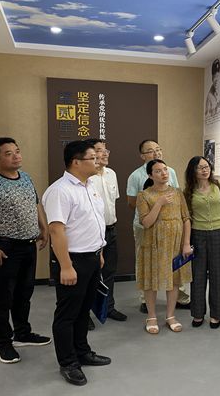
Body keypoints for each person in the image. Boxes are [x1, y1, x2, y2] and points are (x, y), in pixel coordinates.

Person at [0, 137, 50, 364]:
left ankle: (22, 333)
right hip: (4, 247)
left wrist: (44, 228)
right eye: (8, 153)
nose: (16, 156)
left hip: (28, 245)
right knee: (3, 297)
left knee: (24, 293)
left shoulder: (25, 177)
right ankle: (3, 343)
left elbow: (36, 203)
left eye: (17, 151)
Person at [42, 140, 111, 386]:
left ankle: (82, 352)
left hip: (91, 256)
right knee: (67, 314)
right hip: (72, 260)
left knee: (83, 311)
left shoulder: (89, 186)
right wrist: (66, 265)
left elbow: (92, 222)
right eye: (92, 157)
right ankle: (68, 362)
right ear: (76, 162)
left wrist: (98, 252)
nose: (98, 160)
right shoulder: (60, 191)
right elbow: (56, 231)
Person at [126, 139, 190, 313]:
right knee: (146, 262)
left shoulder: (171, 171)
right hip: (145, 227)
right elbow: (132, 202)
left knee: (175, 263)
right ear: (142, 156)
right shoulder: (135, 176)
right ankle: (146, 301)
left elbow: (176, 198)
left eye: (158, 149)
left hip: (172, 229)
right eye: (151, 150)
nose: (156, 153)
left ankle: (181, 298)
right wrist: (153, 205)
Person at [136, 159, 193, 334]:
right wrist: (159, 203)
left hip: (175, 243)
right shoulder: (144, 195)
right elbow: (146, 222)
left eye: (165, 169)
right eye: (158, 171)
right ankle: (152, 316)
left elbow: (186, 219)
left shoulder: (177, 192)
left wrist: (186, 243)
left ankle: (170, 315)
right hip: (153, 243)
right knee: (151, 280)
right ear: (150, 175)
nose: (163, 173)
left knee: (174, 280)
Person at [184, 156, 220, 329]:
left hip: (219, 234)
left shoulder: (219, 185)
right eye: (200, 168)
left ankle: (216, 315)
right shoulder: (188, 191)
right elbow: (187, 218)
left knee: (218, 276)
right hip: (197, 235)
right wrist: (186, 242)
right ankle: (198, 314)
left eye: (206, 166)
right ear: (193, 171)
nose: (205, 170)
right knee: (197, 276)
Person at [87, 138, 127, 322]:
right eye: (98, 150)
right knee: (89, 274)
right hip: (91, 232)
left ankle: (108, 308)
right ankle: (84, 314)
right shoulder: (86, 177)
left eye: (105, 150)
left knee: (109, 272)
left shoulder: (111, 174)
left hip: (111, 229)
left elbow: (112, 202)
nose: (104, 154)